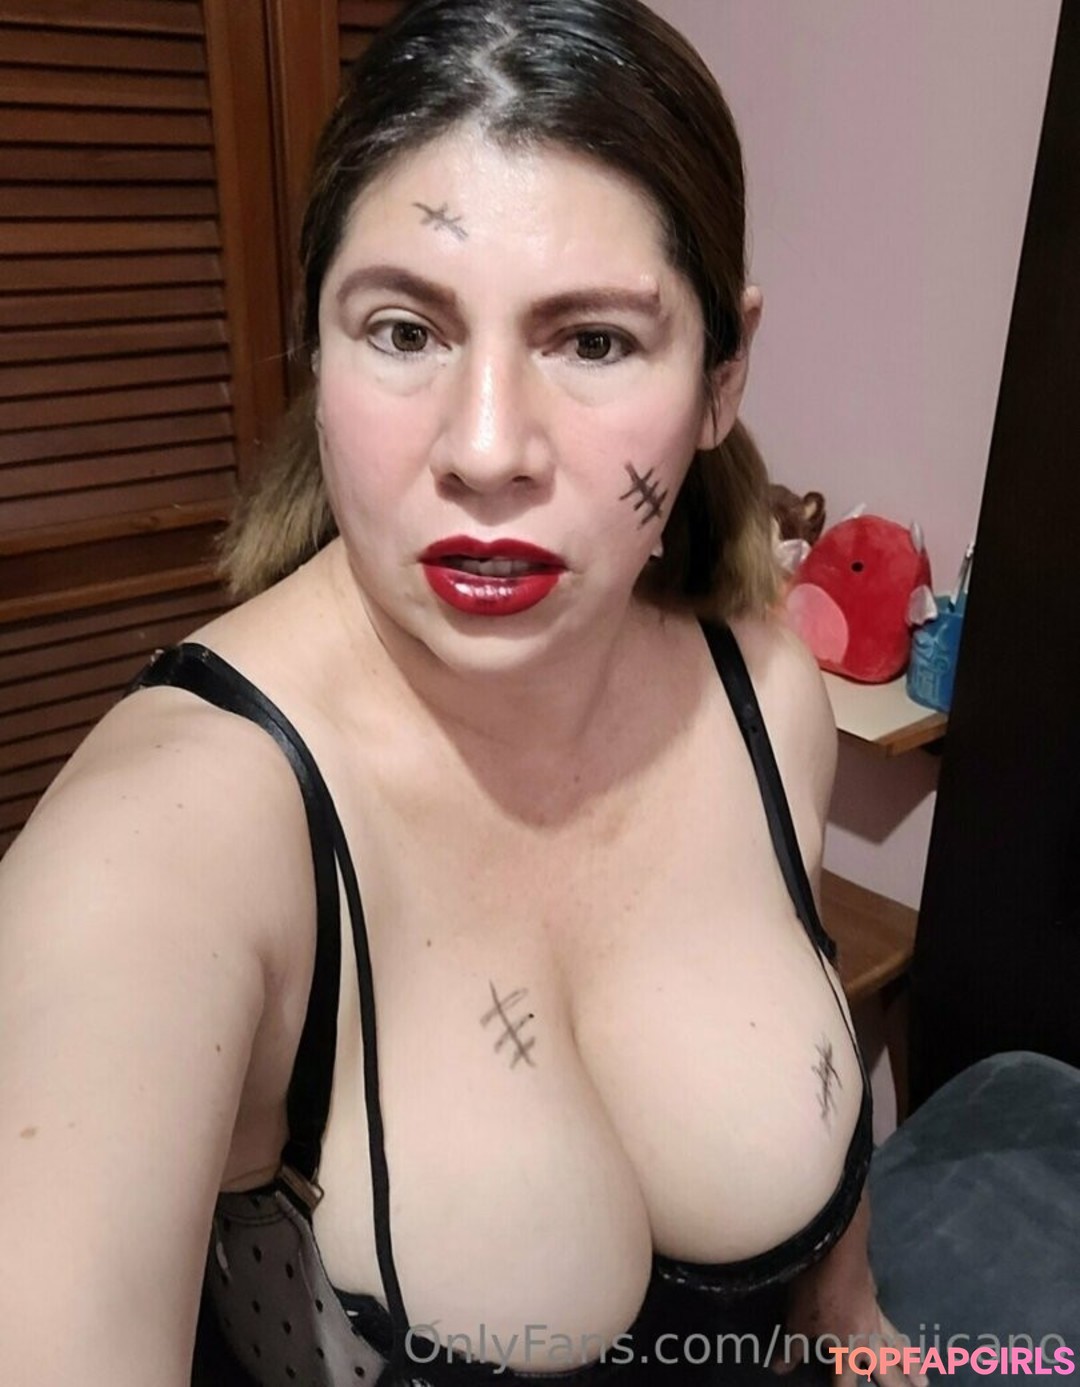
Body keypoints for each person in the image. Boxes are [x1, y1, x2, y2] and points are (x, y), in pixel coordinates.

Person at [0, 2, 923, 1384]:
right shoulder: (163, 852)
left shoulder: (765, 693)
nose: (487, 449)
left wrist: (855, 1327)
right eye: (404, 329)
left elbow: (819, 1179)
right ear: (317, 349)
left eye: (593, 342)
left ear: (723, 376)